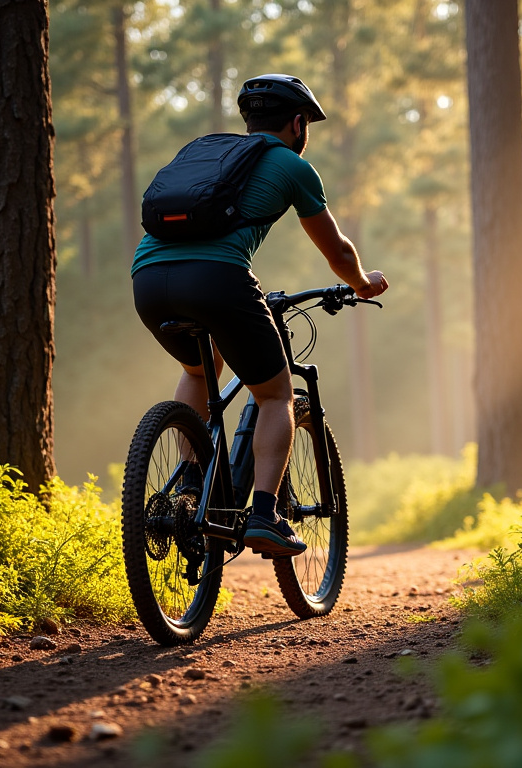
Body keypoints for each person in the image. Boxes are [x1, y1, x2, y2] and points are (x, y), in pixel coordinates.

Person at [131, 74, 388, 557]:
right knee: (275, 395)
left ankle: (188, 482)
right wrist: (362, 282)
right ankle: (266, 515)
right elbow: (336, 251)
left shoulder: (209, 156)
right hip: (217, 281)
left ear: (249, 121)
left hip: (147, 281)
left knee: (197, 369)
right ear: (297, 124)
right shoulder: (290, 165)